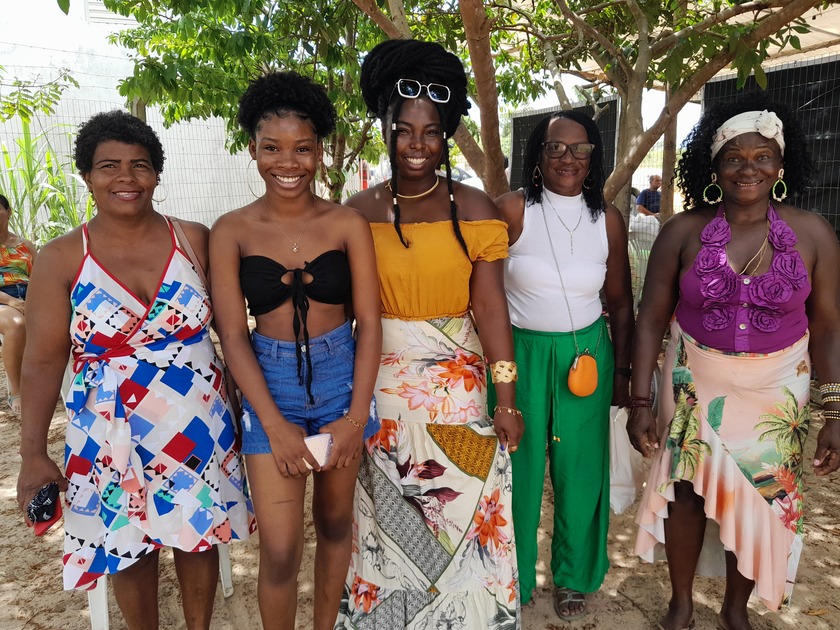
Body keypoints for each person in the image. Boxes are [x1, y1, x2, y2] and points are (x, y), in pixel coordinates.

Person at [15, 111, 254, 630]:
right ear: (87, 175)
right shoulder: (62, 257)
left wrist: (245, 414)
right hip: (109, 427)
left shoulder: (194, 239)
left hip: (197, 421)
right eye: (109, 166)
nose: (126, 177)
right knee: (126, 543)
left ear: (156, 174)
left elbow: (233, 334)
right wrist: (32, 452)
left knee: (198, 533)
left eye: (139, 165)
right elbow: (41, 361)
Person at [628, 94, 840, 630]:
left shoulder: (813, 233)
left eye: (762, 156)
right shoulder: (683, 231)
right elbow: (650, 319)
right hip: (695, 382)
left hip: (777, 392)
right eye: (734, 158)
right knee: (685, 493)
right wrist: (639, 400)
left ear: (782, 164)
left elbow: (828, 326)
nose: (749, 169)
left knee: (761, 498)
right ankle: (681, 604)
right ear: (715, 165)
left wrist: (835, 412)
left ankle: (734, 610)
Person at [335, 39, 524, 628]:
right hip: (381, 390)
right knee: (388, 523)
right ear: (385, 130)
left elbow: (490, 309)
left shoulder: (474, 208)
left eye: (431, 132)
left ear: (446, 137)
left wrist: (506, 399)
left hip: (459, 393)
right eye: (405, 131)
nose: (417, 144)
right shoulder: (356, 212)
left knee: (463, 514)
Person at [209, 71, 381, 630]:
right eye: (272, 148)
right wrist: (274, 424)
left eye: (302, 148)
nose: (288, 162)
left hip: (341, 380)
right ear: (252, 150)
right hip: (269, 384)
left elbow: (369, 324)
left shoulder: (347, 223)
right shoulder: (231, 230)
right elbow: (233, 334)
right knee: (281, 550)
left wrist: (355, 417)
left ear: (320, 151)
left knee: (334, 525)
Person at [494, 110, 634, 621]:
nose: (567, 158)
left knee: (580, 470)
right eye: (555, 147)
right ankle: (512, 573)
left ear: (594, 157)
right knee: (519, 469)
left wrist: (624, 375)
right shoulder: (512, 210)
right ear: (538, 155)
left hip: (587, 356)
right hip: (521, 355)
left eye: (580, 149)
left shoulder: (608, 219)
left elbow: (620, 302)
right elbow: (483, 293)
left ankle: (573, 575)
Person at [0, 193, 36, 416]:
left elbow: (43, 279)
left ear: (8, 212)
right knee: (16, 323)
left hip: (29, 297)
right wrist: (12, 301)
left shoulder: (25, 245)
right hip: (3, 300)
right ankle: (17, 391)